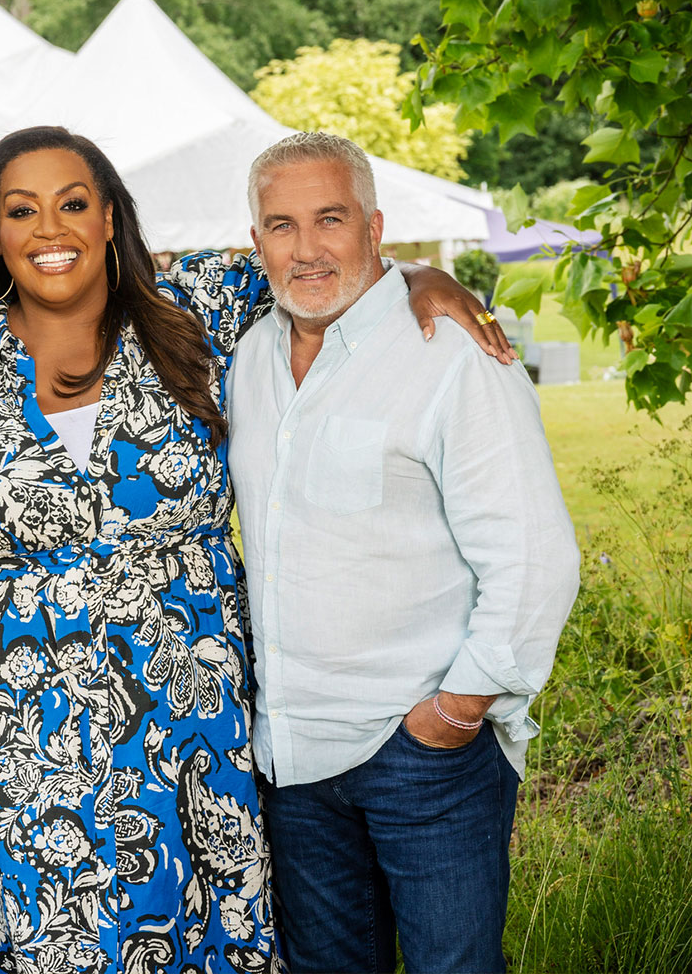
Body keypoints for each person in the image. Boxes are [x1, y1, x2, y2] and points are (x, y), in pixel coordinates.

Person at [0, 126, 507, 973]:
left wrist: (426, 277)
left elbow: (325, 261)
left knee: (175, 928)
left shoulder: (193, 308)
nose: (50, 229)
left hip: (179, 719)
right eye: (21, 210)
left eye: (72, 203)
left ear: (109, 217)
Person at [225, 132, 580, 974]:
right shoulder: (245, 359)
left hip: (423, 755)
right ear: (256, 243)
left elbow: (535, 558)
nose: (306, 248)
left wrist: (452, 717)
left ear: (376, 228)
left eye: (330, 219)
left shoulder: (453, 355)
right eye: (281, 225)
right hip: (292, 759)